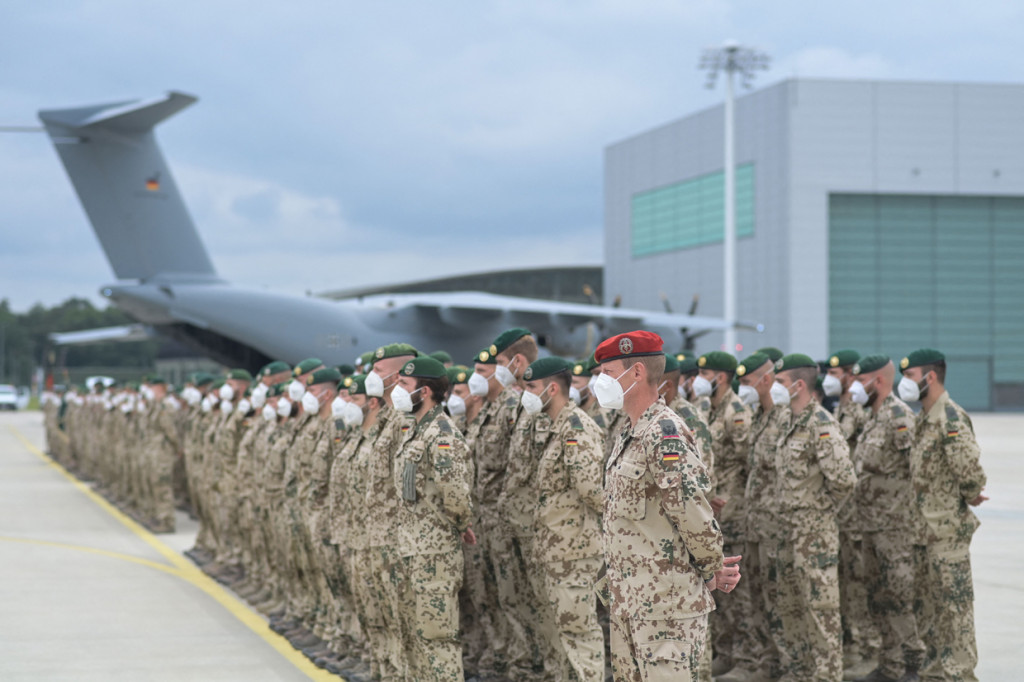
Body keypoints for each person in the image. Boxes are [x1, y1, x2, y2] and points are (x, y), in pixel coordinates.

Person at [595, 330, 739, 682]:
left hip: (665, 605)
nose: (601, 383)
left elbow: (691, 511)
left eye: (609, 374)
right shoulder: (630, 432)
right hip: (630, 600)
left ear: (637, 373)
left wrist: (711, 566)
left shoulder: (663, 433)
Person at [898, 349, 987, 682]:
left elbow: (970, 472)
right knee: (929, 611)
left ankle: (959, 675)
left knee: (954, 611)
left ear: (929, 377)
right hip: (923, 534)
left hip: (946, 534)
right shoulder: (924, 417)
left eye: (909, 376)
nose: (903, 383)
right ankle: (935, 674)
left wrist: (970, 493)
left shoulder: (949, 417)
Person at [521, 356, 606, 682]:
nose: (526, 394)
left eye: (531, 387)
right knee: (557, 633)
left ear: (552, 388)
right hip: (554, 551)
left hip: (574, 552)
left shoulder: (576, 429)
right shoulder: (555, 429)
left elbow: (594, 493)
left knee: (579, 633)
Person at [772, 354, 856, 681]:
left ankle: (826, 676)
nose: (776, 388)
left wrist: (820, 511)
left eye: (780, 382)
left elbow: (844, 479)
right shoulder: (789, 421)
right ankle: (801, 673)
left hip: (814, 533)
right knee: (794, 610)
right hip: (789, 531)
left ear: (799, 385)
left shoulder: (820, 423)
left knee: (822, 614)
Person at [391, 355, 475, 682]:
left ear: (424, 391)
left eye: (404, 386)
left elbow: (454, 492)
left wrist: (462, 524)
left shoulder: (440, 433)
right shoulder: (418, 430)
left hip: (435, 554)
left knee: (439, 638)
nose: (398, 391)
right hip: (415, 549)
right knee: (420, 636)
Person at [849, 355, 925, 682]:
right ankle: (891, 664)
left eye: (859, 380)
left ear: (877, 381)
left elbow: (919, 471)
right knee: (878, 596)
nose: (854, 387)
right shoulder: (873, 417)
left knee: (900, 598)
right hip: (870, 525)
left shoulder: (899, 417)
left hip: (895, 527)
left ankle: (913, 664)